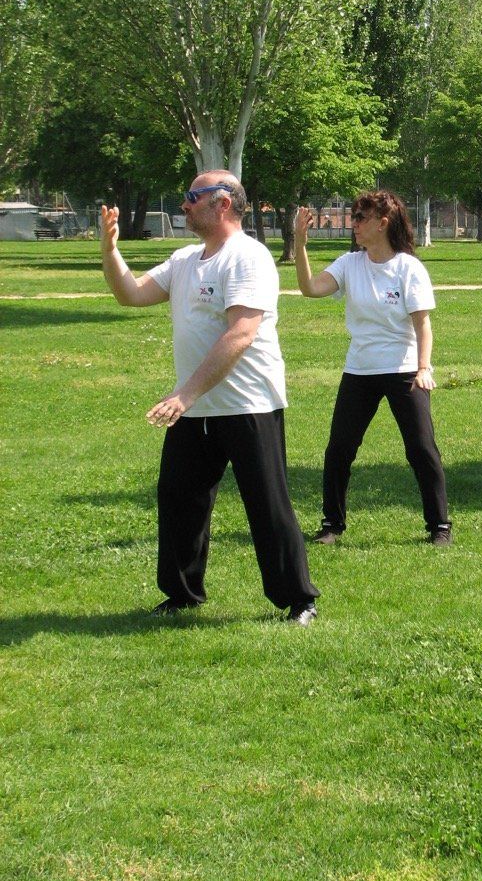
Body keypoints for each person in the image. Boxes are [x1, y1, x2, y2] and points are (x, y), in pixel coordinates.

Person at [100, 171, 320, 624]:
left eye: (191, 197)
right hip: (195, 407)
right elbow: (131, 294)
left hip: (248, 404)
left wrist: (184, 393)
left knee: (268, 504)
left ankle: (299, 600)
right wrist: (110, 250)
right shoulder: (185, 259)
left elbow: (240, 333)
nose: (183, 205)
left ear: (222, 203)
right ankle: (182, 595)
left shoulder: (247, 257)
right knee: (180, 500)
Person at [294, 190, 451, 546]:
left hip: (404, 370)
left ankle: (439, 526)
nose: (354, 225)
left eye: (361, 218)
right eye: (354, 217)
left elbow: (422, 324)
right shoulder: (350, 264)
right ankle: (332, 525)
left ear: (383, 224)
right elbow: (310, 289)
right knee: (339, 450)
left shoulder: (409, 267)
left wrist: (423, 368)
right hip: (360, 370)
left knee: (421, 449)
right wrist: (300, 244)